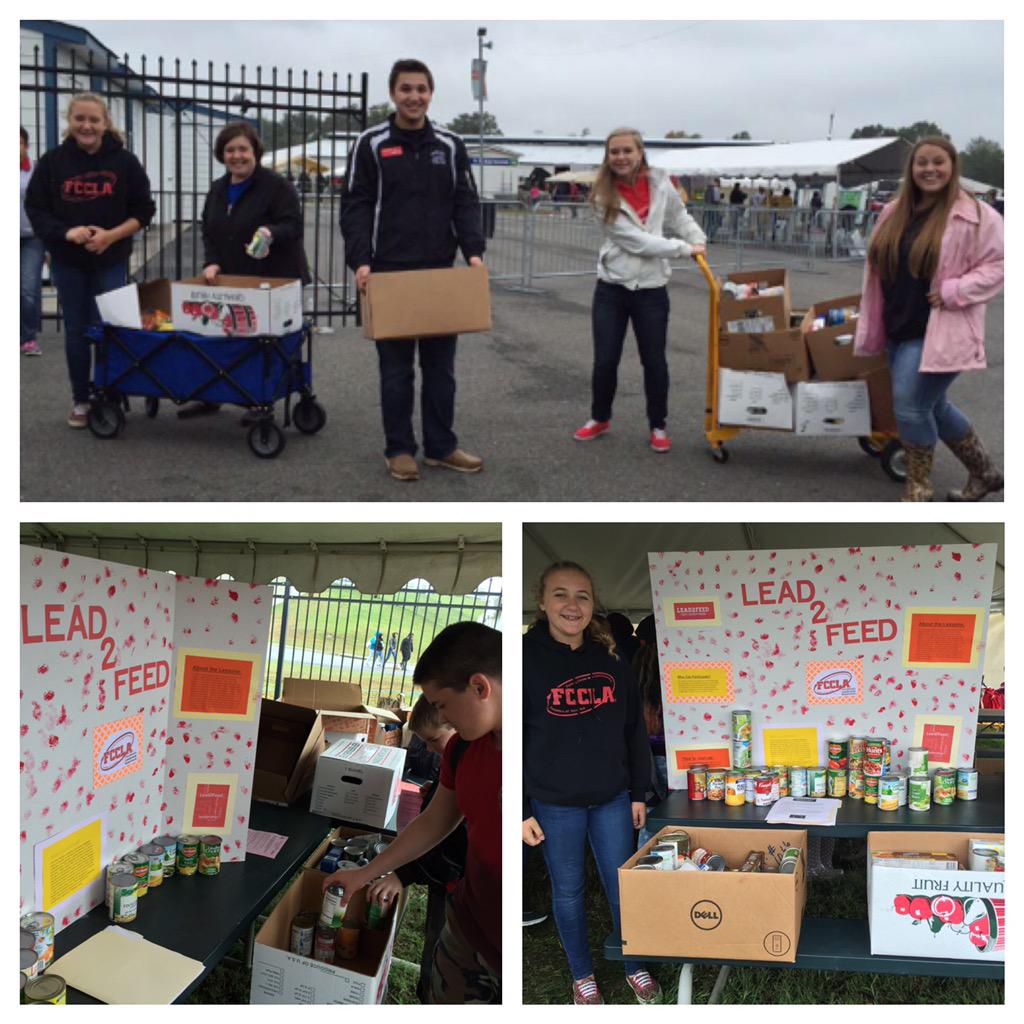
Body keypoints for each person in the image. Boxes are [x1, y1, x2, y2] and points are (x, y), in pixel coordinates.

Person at [322, 622, 501, 1004]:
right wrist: (366, 873)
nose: (445, 719)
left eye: (441, 705)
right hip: (467, 923)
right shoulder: (463, 749)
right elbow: (435, 821)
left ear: (480, 687)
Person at [340, 58, 486, 482]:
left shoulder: (450, 144)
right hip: (389, 272)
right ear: (393, 93)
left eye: (421, 88)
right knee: (396, 371)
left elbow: (466, 202)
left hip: (440, 271)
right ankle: (399, 448)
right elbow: (356, 205)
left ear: (431, 93)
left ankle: (441, 447)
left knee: (441, 370)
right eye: (406, 88)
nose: (414, 96)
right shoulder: (370, 143)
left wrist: (473, 252)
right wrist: (361, 260)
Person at [523, 561, 660, 1005]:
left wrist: (638, 792)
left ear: (593, 604)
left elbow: (633, 732)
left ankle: (634, 962)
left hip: (612, 798)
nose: (572, 605)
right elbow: (509, 741)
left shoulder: (612, 658)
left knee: (623, 884)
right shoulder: (522, 659)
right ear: (542, 602)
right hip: (554, 802)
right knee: (568, 890)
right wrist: (521, 808)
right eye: (560, 594)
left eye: (582, 595)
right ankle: (582, 974)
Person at [853, 136, 1004, 501]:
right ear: (912, 168)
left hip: (940, 329)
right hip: (898, 325)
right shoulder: (895, 211)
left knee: (909, 404)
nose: (930, 169)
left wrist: (956, 290)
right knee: (933, 405)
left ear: (953, 167)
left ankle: (918, 488)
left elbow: (1001, 265)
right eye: (922, 162)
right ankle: (984, 473)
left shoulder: (977, 216)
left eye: (939, 162)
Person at [24, 92, 155, 428]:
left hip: (111, 260)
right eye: (80, 118)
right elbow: (36, 209)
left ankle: (109, 392)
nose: (87, 125)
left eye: (94, 119)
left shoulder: (125, 162)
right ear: (70, 121)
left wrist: (111, 235)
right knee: (77, 332)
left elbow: (143, 210)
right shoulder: (52, 162)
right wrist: (67, 233)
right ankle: (81, 399)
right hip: (68, 263)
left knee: (110, 328)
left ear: (105, 123)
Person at [572, 128, 706, 454]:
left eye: (626, 151)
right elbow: (637, 241)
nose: (620, 157)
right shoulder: (601, 195)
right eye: (614, 152)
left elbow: (679, 216)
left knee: (654, 361)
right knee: (605, 360)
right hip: (613, 288)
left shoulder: (662, 183)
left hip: (651, 289)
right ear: (608, 156)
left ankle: (658, 424)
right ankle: (600, 417)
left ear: (640, 152)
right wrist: (684, 249)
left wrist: (698, 237)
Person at [178, 122, 311, 419]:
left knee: (267, 342)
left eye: (243, 149)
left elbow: (293, 225)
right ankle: (213, 393)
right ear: (222, 154)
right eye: (230, 150)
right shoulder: (218, 188)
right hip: (232, 276)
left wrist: (269, 231)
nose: (237, 156)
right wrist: (211, 261)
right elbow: (209, 230)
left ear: (255, 152)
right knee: (221, 338)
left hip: (275, 277)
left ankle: (260, 399)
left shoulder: (277, 186)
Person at [372, 694, 468, 1001]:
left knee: (443, 958)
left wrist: (403, 873)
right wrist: (436, 792)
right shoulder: (459, 759)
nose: (427, 748)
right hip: (449, 886)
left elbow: (452, 844)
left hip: (459, 891)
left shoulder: (472, 766)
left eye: (433, 739)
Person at [20, 126, 45, 357]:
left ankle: (28, 339)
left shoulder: (37, 170)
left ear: (26, 146)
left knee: (28, 289)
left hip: (33, 238)